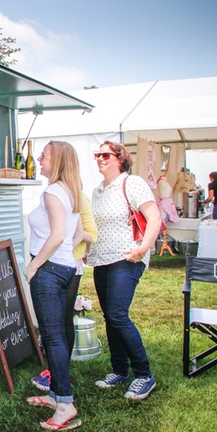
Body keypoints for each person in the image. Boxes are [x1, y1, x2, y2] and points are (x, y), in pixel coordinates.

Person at [86, 141, 161, 400]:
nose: (99, 158)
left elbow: (155, 218)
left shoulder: (133, 183)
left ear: (120, 158)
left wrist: (142, 249)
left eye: (105, 155)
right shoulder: (97, 191)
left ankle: (144, 374)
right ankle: (120, 370)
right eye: (97, 155)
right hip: (102, 259)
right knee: (110, 316)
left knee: (118, 315)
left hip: (127, 257)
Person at [23, 141, 84, 431]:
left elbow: (58, 235)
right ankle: (55, 394)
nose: (39, 158)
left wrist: (35, 265)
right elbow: (79, 232)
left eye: (44, 155)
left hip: (48, 271)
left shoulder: (52, 192)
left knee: (53, 337)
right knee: (57, 334)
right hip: (65, 269)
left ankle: (65, 404)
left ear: (57, 160)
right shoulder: (71, 190)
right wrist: (61, 260)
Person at [31, 190, 96, 393]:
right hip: (57, 263)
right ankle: (58, 375)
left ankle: (59, 375)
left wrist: (65, 247)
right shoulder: (58, 194)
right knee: (57, 324)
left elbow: (91, 234)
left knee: (62, 320)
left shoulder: (76, 196)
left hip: (64, 264)